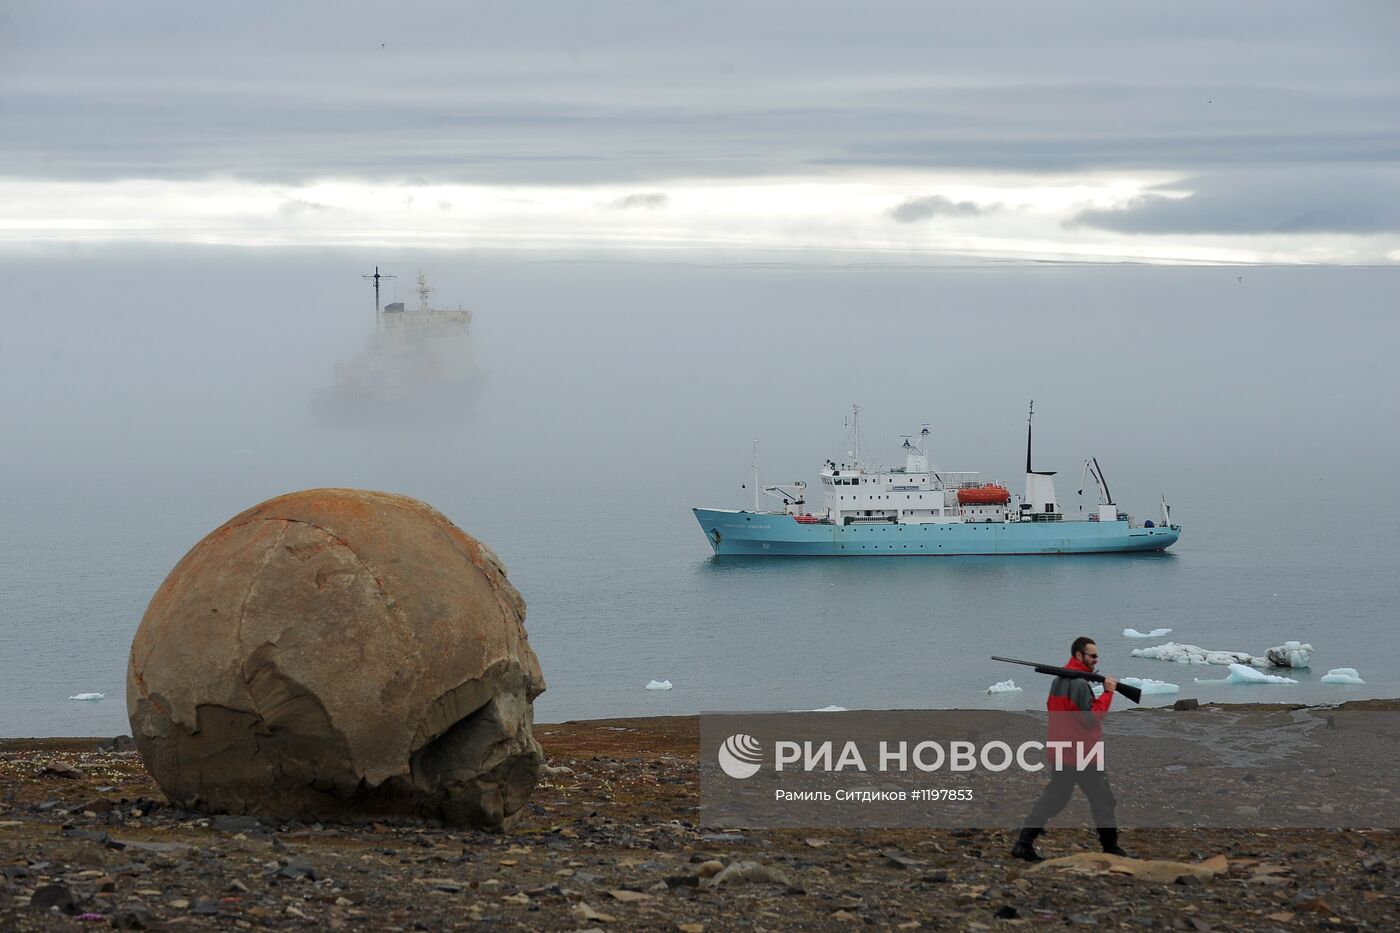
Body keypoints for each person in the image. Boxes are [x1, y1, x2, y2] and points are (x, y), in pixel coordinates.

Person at [1010, 636, 1129, 861]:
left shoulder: (1059, 681)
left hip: (1060, 750)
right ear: (1078, 656)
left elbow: (1053, 709)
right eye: (1092, 656)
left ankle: (1023, 843)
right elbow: (1091, 719)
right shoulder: (1078, 684)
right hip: (1082, 754)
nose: (1096, 659)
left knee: (1055, 798)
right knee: (1103, 799)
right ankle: (1111, 848)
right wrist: (1108, 693)